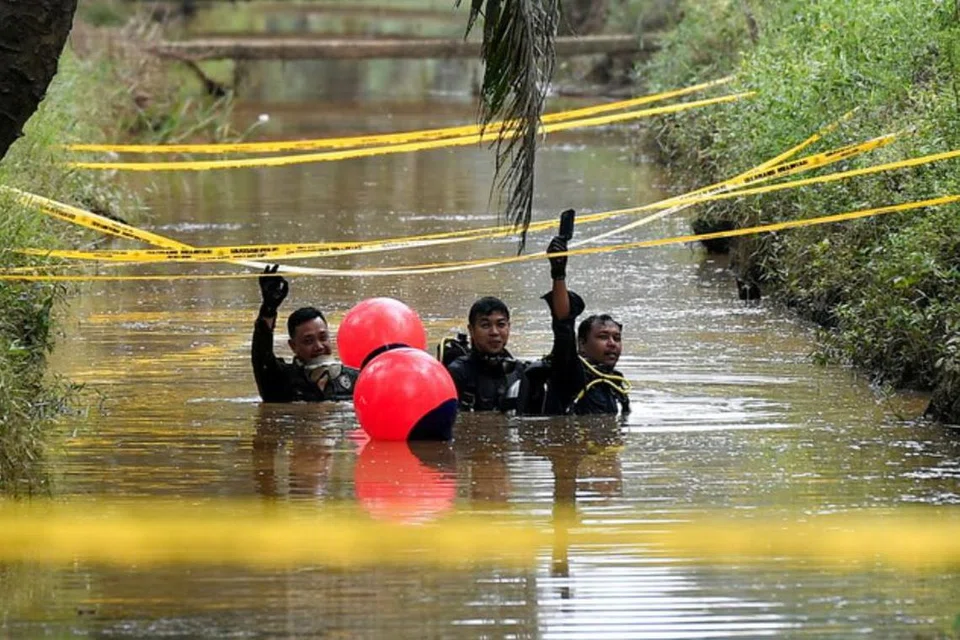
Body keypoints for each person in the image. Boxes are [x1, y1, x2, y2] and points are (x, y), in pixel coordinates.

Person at [541, 231, 630, 415]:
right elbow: (563, 327)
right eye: (603, 337)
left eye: (617, 338)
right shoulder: (570, 372)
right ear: (581, 343)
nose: (612, 344)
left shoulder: (616, 383)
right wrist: (558, 273)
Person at [251, 265, 358, 403]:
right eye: (308, 341)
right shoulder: (281, 381)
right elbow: (261, 357)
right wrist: (268, 309)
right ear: (293, 346)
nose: (319, 346)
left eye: (323, 337)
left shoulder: (355, 379)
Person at [445, 296, 526, 412]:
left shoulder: (518, 372)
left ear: (509, 327)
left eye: (501, 325)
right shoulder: (457, 373)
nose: (494, 332)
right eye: (485, 325)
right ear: (471, 330)